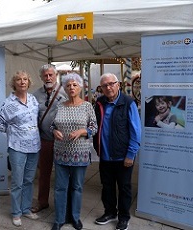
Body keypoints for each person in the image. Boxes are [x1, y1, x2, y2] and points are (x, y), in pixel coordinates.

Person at [93, 73, 141, 230]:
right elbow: (94, 125)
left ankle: (123, 217)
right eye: (104, 86)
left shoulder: (128, 103)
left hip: (123, 156)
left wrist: (131, 154)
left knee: (124, 188)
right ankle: (110, 212)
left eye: (111, 84)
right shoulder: (99, 102)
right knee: (107, 186)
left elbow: (136, 131)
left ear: (118, 84)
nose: (108, 88)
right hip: (105, 155)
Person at [50, 73, 98, 230]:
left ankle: (75, 217)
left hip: (80, 153)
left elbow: (94, 128)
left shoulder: (87, 106)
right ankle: (59, 219)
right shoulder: (60, 105)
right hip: (61, 152)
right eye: (68, 85)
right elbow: (52, 125)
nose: (71, 87)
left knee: (77, 187)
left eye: (74, 85)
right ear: (64, 88)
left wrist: (82, 131)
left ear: (80, 87)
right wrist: (54, 131)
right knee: (60, 187)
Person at [0, 70, 41, 227]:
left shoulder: (33, 99)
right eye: (19, 79)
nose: (22, 82)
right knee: (17, 181)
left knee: (29, 180)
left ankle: (26, 209)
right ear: (14, 83)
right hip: (17, 147)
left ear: (29, 82)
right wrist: (12, 131)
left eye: (25, 79)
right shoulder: (9, 103)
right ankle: (16, 212)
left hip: (34, 146)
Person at [32, 64, 68, 213]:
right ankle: (42, 202)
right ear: (41, 77)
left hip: (62, 141)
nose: (48, 78)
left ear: (56, 75)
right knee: (44, 174)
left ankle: (62, 204)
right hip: (44, 140)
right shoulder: (35, 95)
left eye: (50, 75)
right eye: (45, 75)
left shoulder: (67, 91)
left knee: (62, 174)